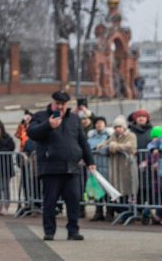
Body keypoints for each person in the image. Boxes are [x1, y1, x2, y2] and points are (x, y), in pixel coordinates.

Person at [27, 91, 96, 241]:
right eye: (57, 103)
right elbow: (31, 132)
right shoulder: (40, 116)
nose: (60, 107)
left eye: (63, 104)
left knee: (74, 202)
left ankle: (73, 230)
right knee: (50, 203)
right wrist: (48, 125)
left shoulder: (74, 119)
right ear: (52, 103)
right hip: (50, 168)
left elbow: (82, 141)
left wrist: (90, 161)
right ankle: (49, 231)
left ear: (67, 105)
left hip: (71, 168)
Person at [94, 116, 137, 221]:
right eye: (116, 127)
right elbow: (104, 144)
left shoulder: (131, 135)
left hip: (127, 167)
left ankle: (129, 214)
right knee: (120, 192)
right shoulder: (113, 136)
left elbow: (130, 146)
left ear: (124, 127)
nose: (118, 129)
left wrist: (113, 147)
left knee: (128, 191)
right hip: (116, 168)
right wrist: (101, 147)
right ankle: (122, 213)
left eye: (120, 126)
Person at [87, 117, 111, 221]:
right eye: (97, 123)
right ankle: (98, 211)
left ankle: (110, 211)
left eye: (101, 122)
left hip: (107, 166)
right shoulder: (91, 137)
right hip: (95, 166)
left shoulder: (109, 136)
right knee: (97, 190)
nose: (99, 124)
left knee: (108, 189)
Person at [139, 125, 162, 225]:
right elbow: (151, 145)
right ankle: (158, 215)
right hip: (160, 173)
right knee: (158, 195)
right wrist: (153, 149)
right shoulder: (160, 139)